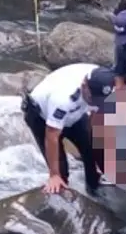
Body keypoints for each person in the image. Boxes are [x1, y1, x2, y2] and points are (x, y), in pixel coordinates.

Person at [22, 63, 116, 196]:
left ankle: (94, 189)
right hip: (42, 117)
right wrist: (54, 174)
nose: (95, 103)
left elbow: (96, 118)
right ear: (84, 86)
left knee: (92, 152)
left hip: (76, 113)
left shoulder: (103, 81)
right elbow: (52, 135)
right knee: (61, 174)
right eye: (92, 99)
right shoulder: (63, 98)